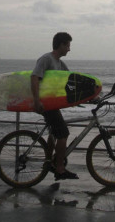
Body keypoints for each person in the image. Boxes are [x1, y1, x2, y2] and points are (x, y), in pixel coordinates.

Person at [31, 32, 78, 180]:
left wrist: (90, 97)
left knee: (54, 132)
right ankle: (59, 168)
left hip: (52, 104)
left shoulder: (60, 63)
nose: (69, 49)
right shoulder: (46, 59)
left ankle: (49, 161)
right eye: (68, 45)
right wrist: (37, 101)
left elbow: (71, 82)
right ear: (61, 45)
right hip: (45, 104)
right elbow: (34, 78)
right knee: (63, 133)